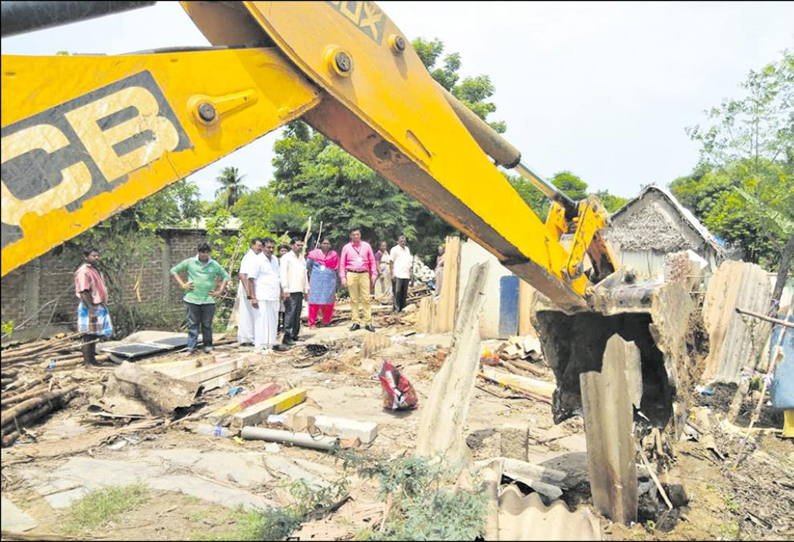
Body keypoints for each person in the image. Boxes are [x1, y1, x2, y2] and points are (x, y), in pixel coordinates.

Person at [170, 242, 229, 354]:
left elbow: (225, 276)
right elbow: (174, 271)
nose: (205, 255)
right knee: (193, 324)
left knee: (207, 325)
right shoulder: (190, 262)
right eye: (202, 252)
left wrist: (219, 291)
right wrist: (183, 284)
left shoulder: (214, 265)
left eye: (207, 252)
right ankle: (191, 347)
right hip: (192, 298)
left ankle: (208, 346)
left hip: (208, 299)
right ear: (198, 252)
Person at [74, 247, 113, 365]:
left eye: (97, 255)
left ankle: (93, 360)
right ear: (86, 257)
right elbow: (83, 291)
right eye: (93, 256)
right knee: (87, 335)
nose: (96, 258)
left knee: (94, 335)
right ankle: (87, 363)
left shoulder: (94, 270)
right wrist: (91, 309)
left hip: (97, 306)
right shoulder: (83, 272)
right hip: (89, 306)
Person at [339, 226, 377, 332]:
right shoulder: (346, 247)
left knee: (366, 298)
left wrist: (374, 274)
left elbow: (372, 261)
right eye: (354, 235)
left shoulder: (367, 246)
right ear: (350, 236)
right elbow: (342, 263)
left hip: (364, 274)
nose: (356, 236)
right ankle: (355, 322)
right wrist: (343, 278)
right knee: (354, 299)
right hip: (351, 274)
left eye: (358, 234)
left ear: (360, 235)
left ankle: (368, 322)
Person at [249, 238, 281, 351]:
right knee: (261, 320)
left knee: (273, 320)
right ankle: (260, 345)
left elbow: (278, 277)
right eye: (268, 247)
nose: (271, 249)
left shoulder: (275, 259)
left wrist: (281, 293)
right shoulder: (257, 260)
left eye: (273, 247)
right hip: (261, 295)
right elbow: (251, 279)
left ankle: (270, 344)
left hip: (273, 295)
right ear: (262, 247)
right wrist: (253, 297)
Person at [280, 237, 308, 345]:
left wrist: (306, 290)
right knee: (290, 313)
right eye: (297, 245)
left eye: (301, 245)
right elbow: (283, 274)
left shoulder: (302, 258)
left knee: (297, 313)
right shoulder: (286, 258)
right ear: (292, 246)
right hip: (290, 290)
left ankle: (294, 334)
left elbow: (304, 275)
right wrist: (285, 289)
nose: (300, 247)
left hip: (299, 290)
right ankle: (287, 336)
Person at [306, 238, 339, 328]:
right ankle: (312, 323)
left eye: (328, 243)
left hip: (329, 281)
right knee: (314, 302)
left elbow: (336, 267)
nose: (326, 245)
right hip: (316, 281)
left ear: (330, 245)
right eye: (324, 243)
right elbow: (308, 265)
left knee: (328, 301)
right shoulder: (314, 253)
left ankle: (326, 321)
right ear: (321, 244)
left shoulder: (334, 254)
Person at [237, 237, 263, 346]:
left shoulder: (258, 257)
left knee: (254, 314)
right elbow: (242, 275)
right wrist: (248, 292)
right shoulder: (248, 257)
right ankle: (246, 338)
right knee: (246, 314)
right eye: (258, 246)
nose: (260, 248)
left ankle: (253, 337)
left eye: (261, 246)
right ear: (252, 245)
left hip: (255, 289)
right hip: (247, 289)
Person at [389, 234, 413, 313]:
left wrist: (410, 273)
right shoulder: (394, 250)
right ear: (398, 241)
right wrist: (392, 274)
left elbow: (409, 262)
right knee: (397, 292)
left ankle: (403, 309)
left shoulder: (407, 249)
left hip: (406, 274)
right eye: (401, 241)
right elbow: (391, 262)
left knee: (404, 293)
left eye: (404, 241)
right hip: (397, 274)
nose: (403, 242)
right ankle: (396, 310)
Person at [277, 244, 290, 333]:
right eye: (282, 251)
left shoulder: (290, 261)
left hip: (287, 286)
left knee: (286, 308)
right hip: (277, 286)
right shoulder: (276, 261)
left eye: (285, 250)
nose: (284, 252)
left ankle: (285, 327)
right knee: (277, 308)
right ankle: (277, 326)